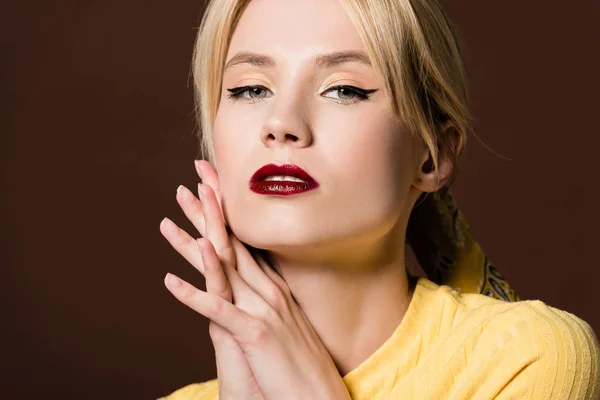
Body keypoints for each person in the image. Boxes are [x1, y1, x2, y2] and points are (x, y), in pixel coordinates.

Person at [158, 0, 600, 398]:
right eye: (250, 88)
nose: (281, 123)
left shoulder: (524, 360)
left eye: (344, 89)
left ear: (431, 157)